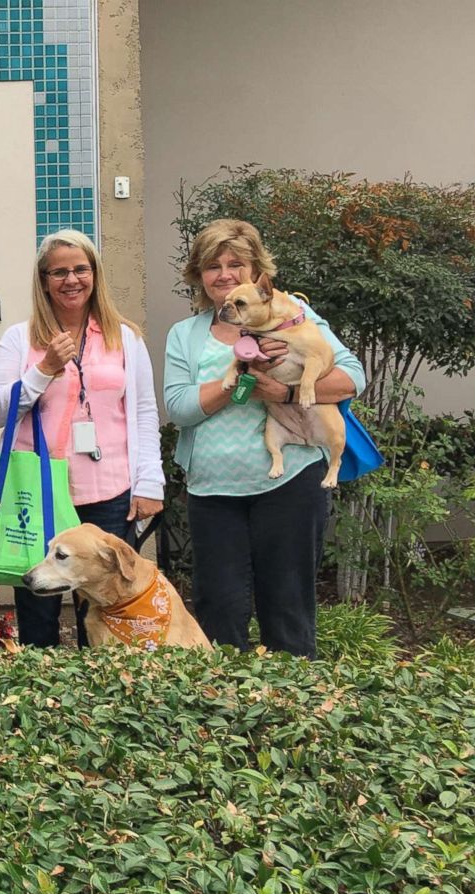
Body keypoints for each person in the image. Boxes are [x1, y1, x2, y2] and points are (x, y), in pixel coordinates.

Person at [162, 218, 364, 658]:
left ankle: (294, 715)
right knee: (219, 610)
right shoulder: (186, 334)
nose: (225, 274)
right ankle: (220, 714)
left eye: (236, 263)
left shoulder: (296, 318)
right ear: (199, 276)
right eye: (212, 266)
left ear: (257, 272)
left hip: (288, 483)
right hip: (213, 491)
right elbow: (179, 408)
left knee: (287, 608)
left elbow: (352, 378)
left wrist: (287, 391)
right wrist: (241, 381)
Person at [0, 229, 166, 647]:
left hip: (109, 493)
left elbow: (142, 411)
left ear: (95, 275)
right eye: (59, 272)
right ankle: (42, 700)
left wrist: (150, 482)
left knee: (107, 610)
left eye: (80, 269)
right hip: (41, 494)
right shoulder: (20, 338)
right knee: (38, 609)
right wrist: (43, 368)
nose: (71, 280)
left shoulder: (126, 337)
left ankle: (100, 702)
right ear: (43, 280)